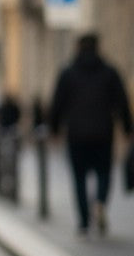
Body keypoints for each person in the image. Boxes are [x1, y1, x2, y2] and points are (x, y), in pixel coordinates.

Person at [49, 32, 132, 236]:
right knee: (104, 173)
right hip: (103, 133)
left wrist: (54, 129)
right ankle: (100, 202)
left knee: (79, 178)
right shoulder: (110, 72)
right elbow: (122, 102)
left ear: (78, 47)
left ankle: (84, 222)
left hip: (76, 134)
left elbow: (57, 104)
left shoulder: (68, 73)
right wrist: (128, 128)